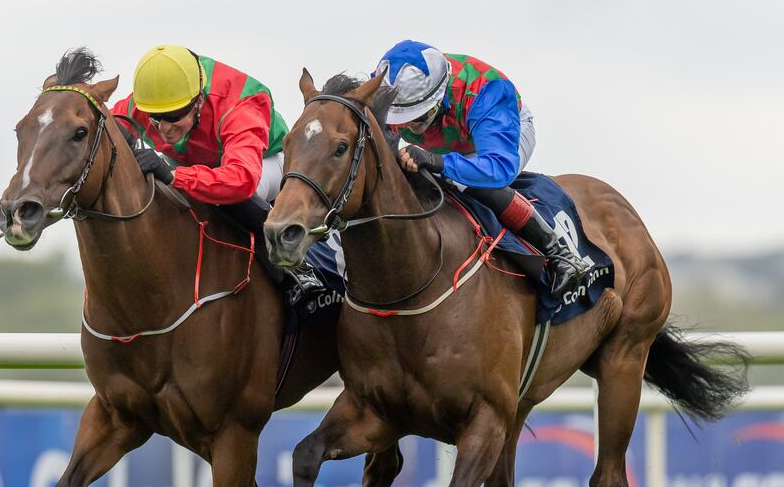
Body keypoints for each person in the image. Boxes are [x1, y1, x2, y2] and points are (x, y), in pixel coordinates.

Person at [375, 40, 590, 296]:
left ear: (438, 96)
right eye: (402, 120)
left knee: (471, 183)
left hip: (501, 139)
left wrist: (437, 161)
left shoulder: (486, 91)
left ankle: (560, 254)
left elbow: (497, 168)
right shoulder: (382, 85)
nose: (409, 128)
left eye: (418, 119)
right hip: (444, 145)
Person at [111, 45, 322, 304]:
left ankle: (294, 268)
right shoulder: (149, 99)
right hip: (199, 165)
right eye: (154, 118)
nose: (163, 128)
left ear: (198, 100)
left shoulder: (240, 104)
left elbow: (240, 180)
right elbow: (104, 131)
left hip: (264, 163)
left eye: (174, 115)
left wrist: (175, 177)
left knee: (228, 195)